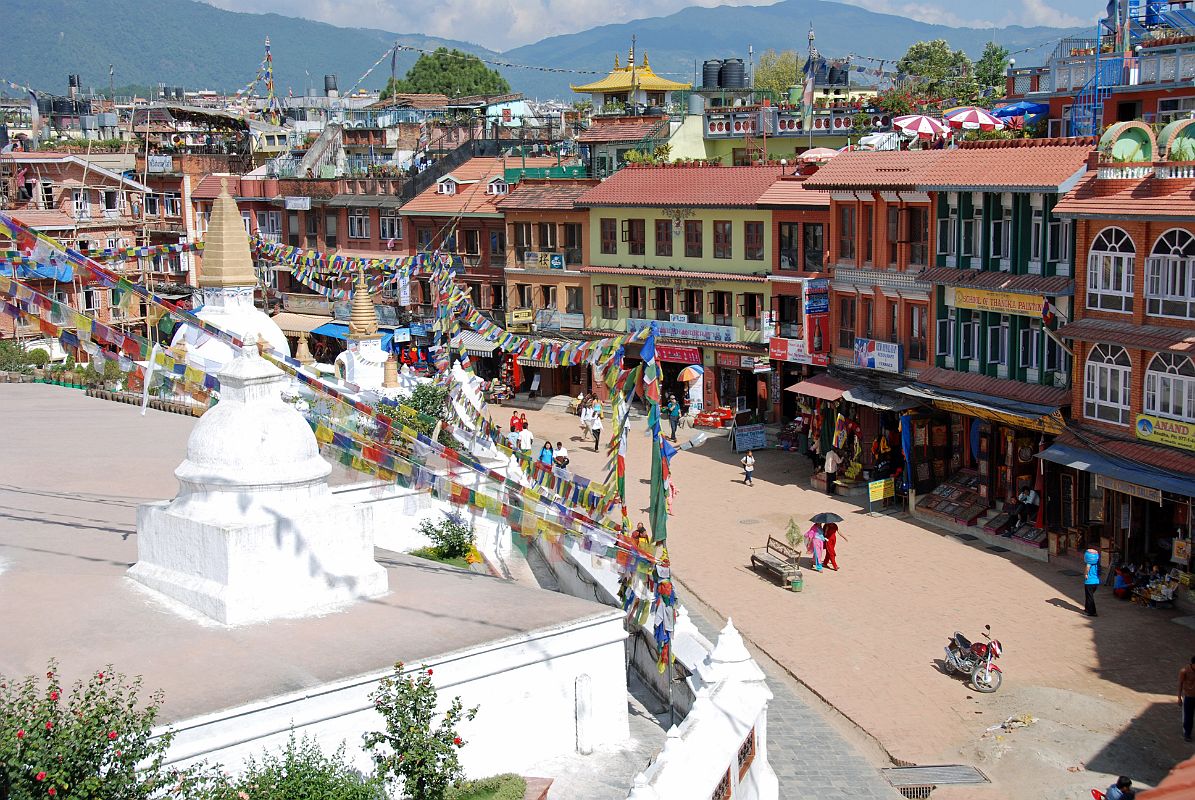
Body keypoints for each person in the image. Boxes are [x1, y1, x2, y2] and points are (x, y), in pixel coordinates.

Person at [1181, 655, 1195, 742]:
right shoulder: (1185, 671)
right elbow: (1180, 683)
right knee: (1188, 716)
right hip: (1189, 696)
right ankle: (1187, 733)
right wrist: (1179, 697)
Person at [1083, 547, 1101, 617]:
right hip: (1096, 582)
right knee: (1088, 596)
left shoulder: (1089, 563)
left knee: (1090, 597)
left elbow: (1087, 567)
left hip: (1089, 582)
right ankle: (1087, 608)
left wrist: (1086, 574)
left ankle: (1093, 612)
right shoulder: (1097, 564)